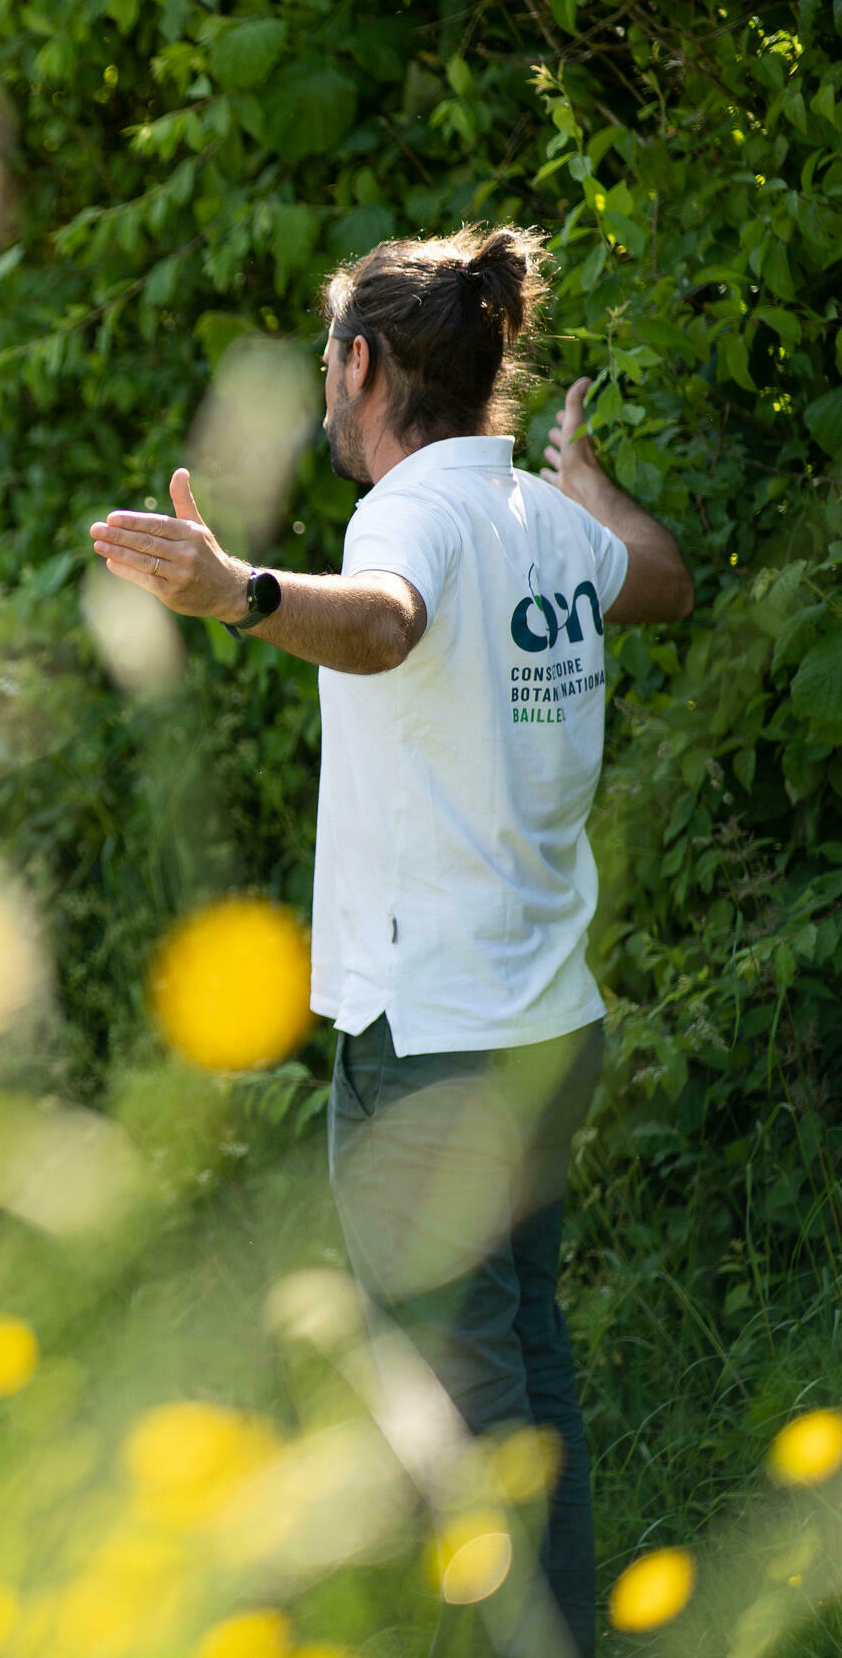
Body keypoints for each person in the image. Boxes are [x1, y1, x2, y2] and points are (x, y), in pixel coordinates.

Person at [89, 225, 692, 1658]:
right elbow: (659, 578)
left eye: (324, 359)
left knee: (461, 1396)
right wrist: (595, 493)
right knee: (520, 1353)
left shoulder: (406, 515)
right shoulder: (545, 519)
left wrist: (242, 591)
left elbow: (387, 625)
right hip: (548, 1018)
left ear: (361, 362)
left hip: (440, 1046)